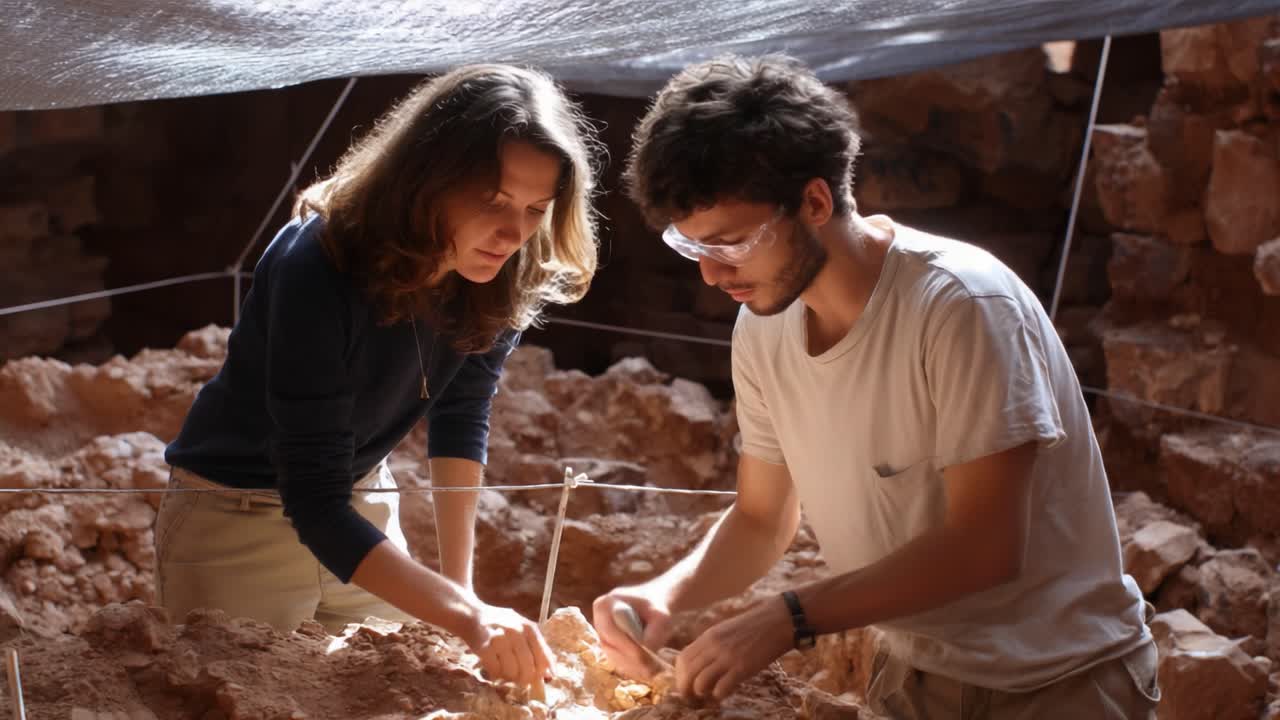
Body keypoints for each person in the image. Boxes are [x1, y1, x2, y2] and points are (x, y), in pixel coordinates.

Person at [592, 55, 1160, 718]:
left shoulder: (960, 305)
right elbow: (761, 518)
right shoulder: (764, 328)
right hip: (915, 678)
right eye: (694, 249)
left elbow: (986, 546)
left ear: (814, 202)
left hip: (1061, 682)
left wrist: (789, 617)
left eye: (733, 243)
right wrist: (666, 593)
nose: (712, 275)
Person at [157, 63, 601, 689]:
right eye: (494, 201)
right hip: (235, 518)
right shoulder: (317, 262)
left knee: (398, 689)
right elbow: (313, 501)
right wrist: (469, 618)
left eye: (536, 209)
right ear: (427, 179)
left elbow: (462, 413)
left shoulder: (502, 265)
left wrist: (461, 594)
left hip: (361, 504)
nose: (513, 233)